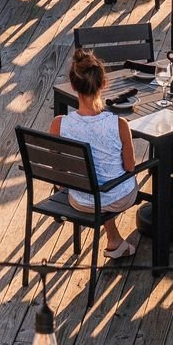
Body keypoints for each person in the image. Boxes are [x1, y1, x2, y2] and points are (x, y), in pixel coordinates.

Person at [50, 48, 141, 260]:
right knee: (111, 180)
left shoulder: (59, 124)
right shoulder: (119, 124)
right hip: (117, 198)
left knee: (97, 181)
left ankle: (114, 240)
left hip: (80, 199)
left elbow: (58, 174)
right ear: (103, 84)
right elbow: (129, 167)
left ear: (73, 86)